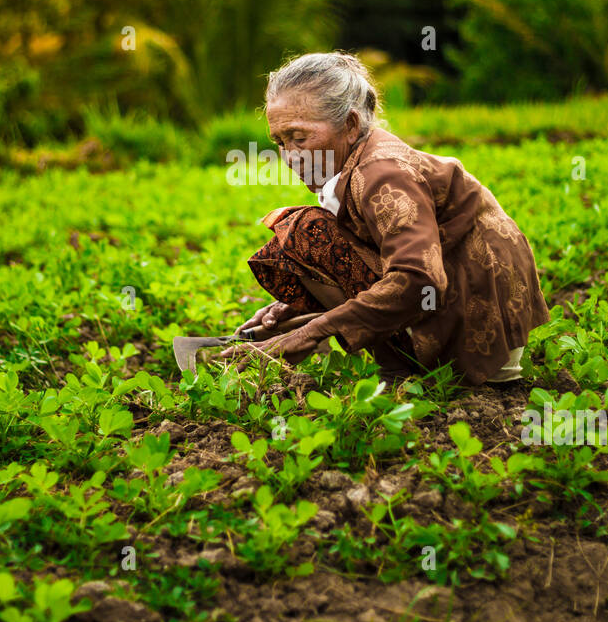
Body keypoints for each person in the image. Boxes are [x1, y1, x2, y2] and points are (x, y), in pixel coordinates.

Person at [225, 51, 549, 384]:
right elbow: (373, 256)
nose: (290, 156)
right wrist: (295, 310)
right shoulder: (357, 166)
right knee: (298, 240)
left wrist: (313, 331)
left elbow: (419, 278)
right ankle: (403, 361)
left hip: (480, 333)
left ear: (350, 126)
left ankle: (400, 370)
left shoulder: (382, 173)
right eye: (280, 141)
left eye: (300, 138)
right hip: (467, 313)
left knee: (306, 231)